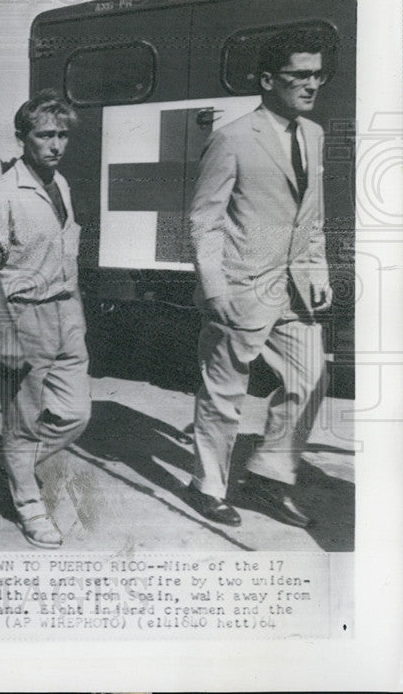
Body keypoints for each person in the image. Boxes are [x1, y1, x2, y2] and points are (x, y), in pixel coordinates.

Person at [186, 29, 334, 529]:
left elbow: (310, 216)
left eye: (317, 75)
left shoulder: (313, 135)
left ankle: (270, 478)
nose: (312, 85)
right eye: (300, 75)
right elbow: (204, 219)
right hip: (241, 285)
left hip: (294, 289)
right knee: (224, 394)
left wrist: (318, 271)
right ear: (269, 80)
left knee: (311, 378)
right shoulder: (232, 137)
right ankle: (208, 485)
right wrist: (214, 287)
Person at [0, 90, 90, 549]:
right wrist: (5, 331)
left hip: (65, 312)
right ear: (23, 138)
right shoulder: (3, 193)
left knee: (77, 414)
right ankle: (29, 507)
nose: (56, 144)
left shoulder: (60, 186)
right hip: (24, 315)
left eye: (62, 134)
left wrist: (77, 315)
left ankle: (14, 460)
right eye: (45, 135)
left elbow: (67, 256)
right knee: (23, 421)